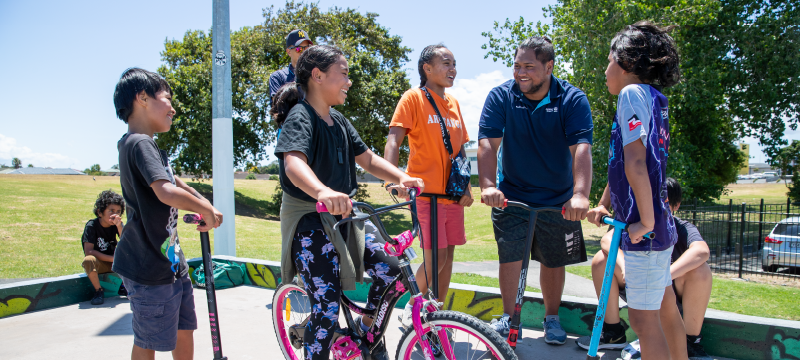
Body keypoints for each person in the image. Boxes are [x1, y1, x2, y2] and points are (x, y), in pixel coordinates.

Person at [272, 45, 425, 360]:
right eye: (343, 73)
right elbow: (294, 164)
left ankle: (367, 332)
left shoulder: (339, 120)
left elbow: (367, 159)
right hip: (311, 219)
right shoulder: (301, 117)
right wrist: (322, 191)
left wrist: (401, 176)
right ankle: (317, 340)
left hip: (348, 215)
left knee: (393, 269)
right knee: (326, 307)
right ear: (317, 76)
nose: (349, 81)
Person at [478, 36, 594, 345]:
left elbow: (581, 148)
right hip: (512, 194)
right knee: (511, 257)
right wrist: (488, 185)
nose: (520, 73)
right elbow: (488, 142)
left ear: (549, 66)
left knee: (554, 261)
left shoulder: (571, 99)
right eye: (517, 66)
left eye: (529, 66)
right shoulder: (502, 96)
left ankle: (551, 318)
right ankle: (507, 315)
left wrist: (580, 195)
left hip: (558, 198)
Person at [585, 21, 685, 360]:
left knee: (644, 322)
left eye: (610, 59)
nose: (605, 68)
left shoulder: (630, 95)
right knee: (666, 306)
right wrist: (603, 203)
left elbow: (636, 164)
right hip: (661, 227)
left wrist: (643, 222)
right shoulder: (655, 98)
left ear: (627, 63)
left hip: (646, 232)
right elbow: (625, 166)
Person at [113, 67, 223, 360]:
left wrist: (205, 204)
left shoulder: (143, 145)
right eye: (166, 98)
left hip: (170, 263)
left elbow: (174, 182)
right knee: (148, 338)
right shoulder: (140, 142)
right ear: (142, 98)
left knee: (183, 328)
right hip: (148, 265)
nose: (173, 107)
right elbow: (165, 192)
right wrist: (204, 208)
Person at [383, 43, 474, 328]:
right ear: (427, 68)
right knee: (437, 257)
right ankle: (410, 306)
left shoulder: (454, 104)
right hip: (426, 194)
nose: (453, 69)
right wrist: (392, 178)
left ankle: (437, 316)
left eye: (454, 63)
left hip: (452, 195)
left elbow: (460, 150)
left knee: (449, 256)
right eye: (446, 63)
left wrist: (467, 186)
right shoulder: (413, 98)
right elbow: (393, 141)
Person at [579, 178, 712, 359]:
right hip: (638, 284)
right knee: (602, 259)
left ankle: (690, 341)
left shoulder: (681, 227)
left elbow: (702, 251)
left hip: (670, 290)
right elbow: (607, 240)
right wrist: (625, 267)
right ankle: (613, 332)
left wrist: (664, 276)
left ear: (676, 206)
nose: (659, 211)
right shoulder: (635, 224)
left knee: (701, 270)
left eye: (665, 205)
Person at [82, 189, 126, 305]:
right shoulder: (92, 226)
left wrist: (119, 226)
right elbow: (89, 251)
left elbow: (127, 243)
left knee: (133, 254)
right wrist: (112, 259)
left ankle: (124, 286)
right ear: (100, 212)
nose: (115, 214)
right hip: (100, 263)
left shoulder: (117, 225)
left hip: (115, 264)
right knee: (88, 260)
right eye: (111, 211)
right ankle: (98, 291)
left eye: (118, 211)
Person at [269, 29, 313, 106]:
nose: (303, 52)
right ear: (289, 52)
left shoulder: (315, 75)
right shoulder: (278, 77)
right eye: (298, 49)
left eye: (306, 48)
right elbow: (277, 110)